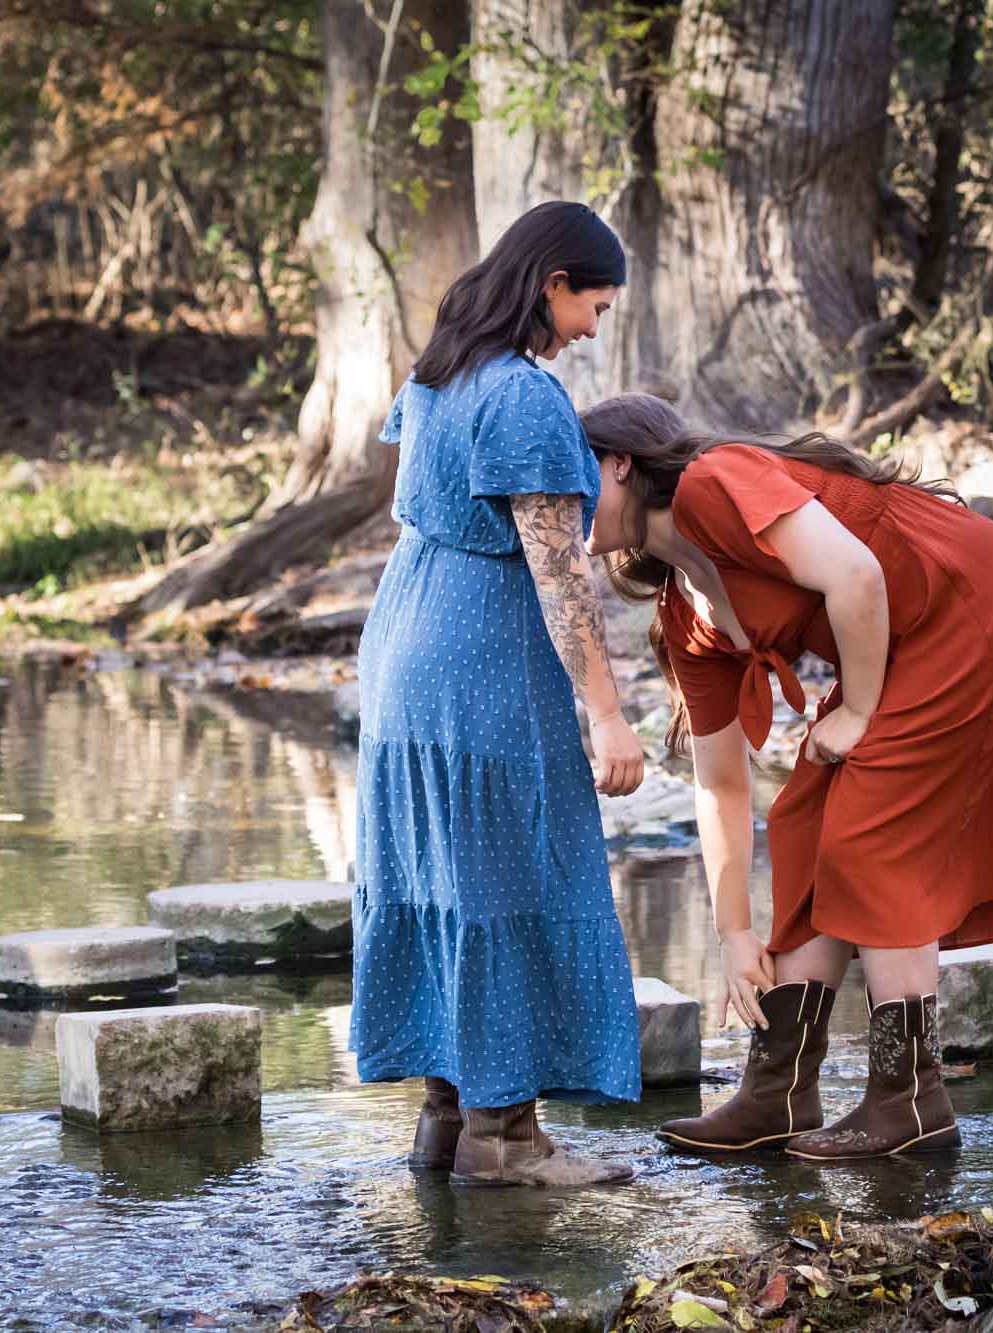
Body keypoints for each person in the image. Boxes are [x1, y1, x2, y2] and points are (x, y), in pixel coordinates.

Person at [578, 394, 993, 1162]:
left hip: (973, 599)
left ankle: (910, 1097)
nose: (558, 506)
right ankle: (778, 1090)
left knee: (870, 830)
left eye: (570, 480)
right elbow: (721, 782)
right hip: (904, 637)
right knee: (804, 818)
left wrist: (857, 710)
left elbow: (857, 572)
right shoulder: (685, 614)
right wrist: (731, 932)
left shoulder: (712, 483)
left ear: (620, 463)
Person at [350, 202, 647, 1188]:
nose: (594, 328)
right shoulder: (523, 398)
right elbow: (560, 575)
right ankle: (506, 1141)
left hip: (402, 640)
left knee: (442, 879)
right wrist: (607, 713)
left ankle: (446, 1123)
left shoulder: (440, 370)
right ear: (551, 283)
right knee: (510, 879)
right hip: (479, 654)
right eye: (591, 306)